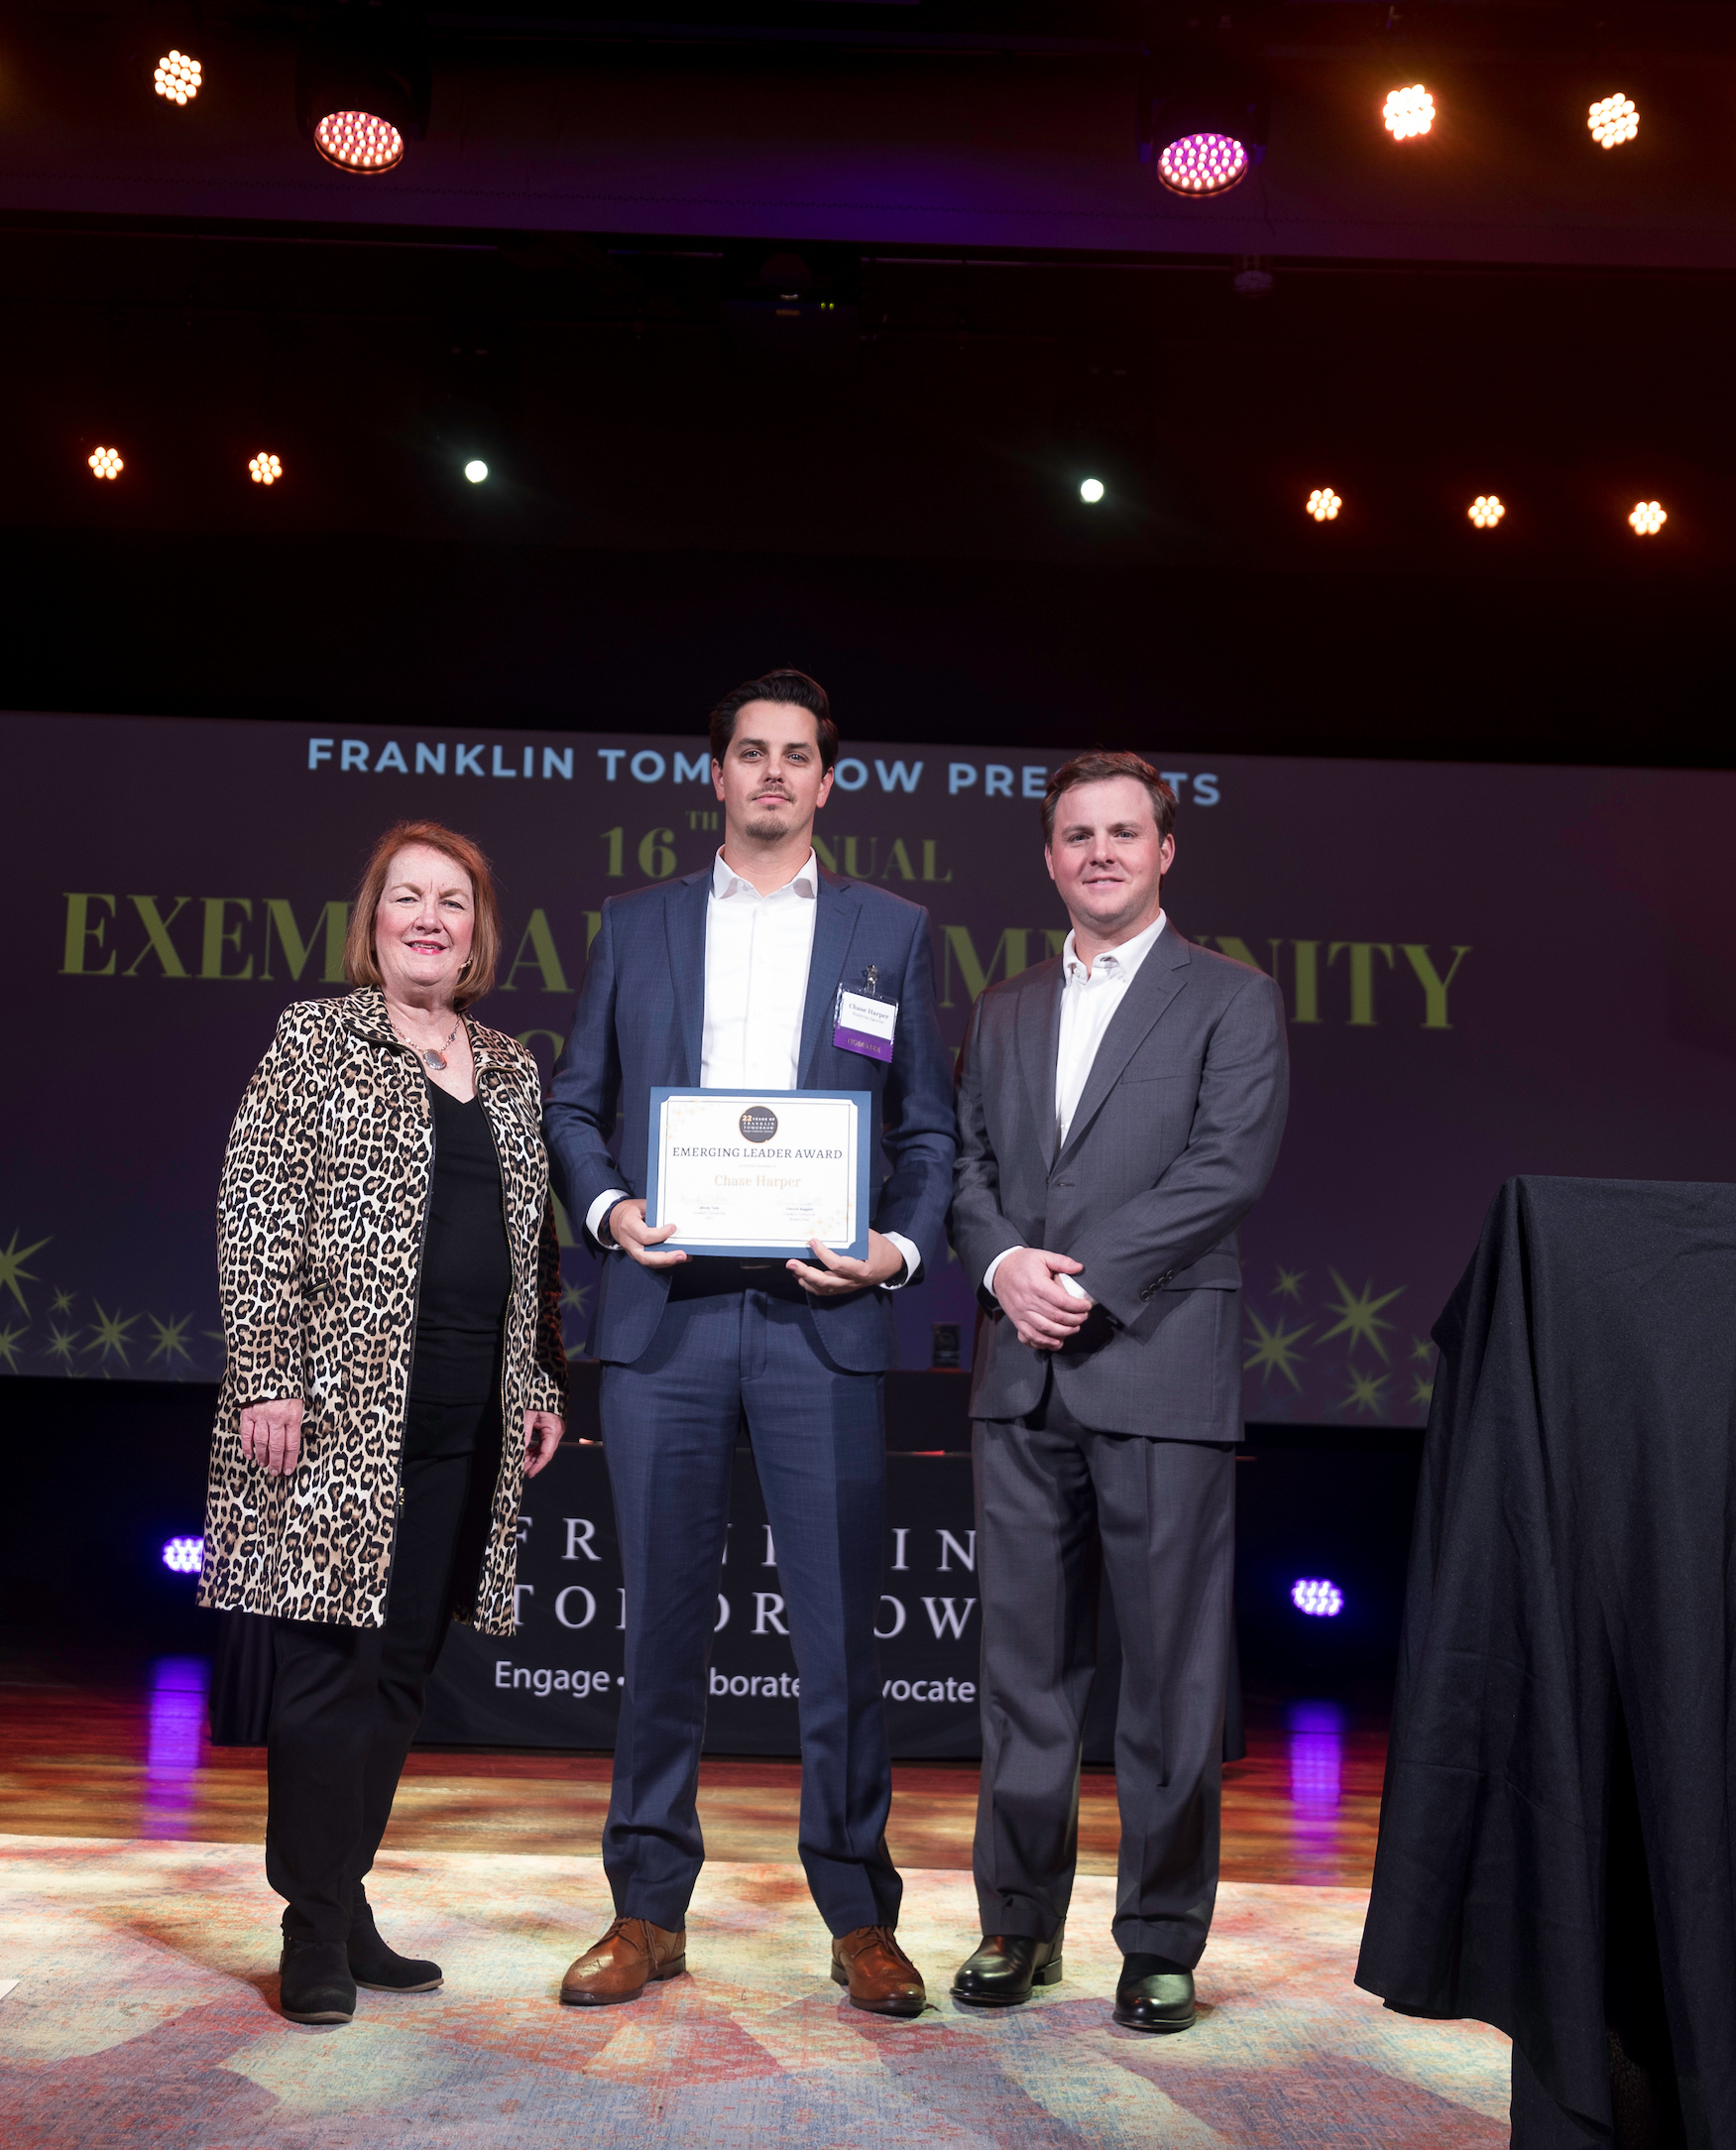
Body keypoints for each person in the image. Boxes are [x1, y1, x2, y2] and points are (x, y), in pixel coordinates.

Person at [543, 668, 955, 2015]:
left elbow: (928, 1133)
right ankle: (646, 1910)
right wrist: (610, 1212)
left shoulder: (893, 932)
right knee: (658, 1629)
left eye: (796, 755)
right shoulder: (636, 925)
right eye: (750, 753)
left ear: (827, 780)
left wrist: (895, 1251)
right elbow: (577, 1106)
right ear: (714, 773)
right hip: (664, 1317)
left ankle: (860, 1917)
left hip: (820, 1321)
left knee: (839, 1640)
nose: (773, 774)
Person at [201, 820, 566, 2027]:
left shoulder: (510, 1066)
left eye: (452, 902)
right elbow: (254, 1206)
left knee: (403, 1671)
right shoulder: (317, 1037)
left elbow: (533, 1248)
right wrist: (268, 1372)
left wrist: (540, 1384)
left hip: (467, 1415)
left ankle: (345, 1895)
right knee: (329, 1671)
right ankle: (310, 1927)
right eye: (407, 898)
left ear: (478, 931)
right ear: (374, 921)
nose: (429, 919)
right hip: (335, 1415)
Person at [947, 751, 1288, 2034]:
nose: (1100, 852)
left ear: (1164, 851)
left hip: (1158, 1366)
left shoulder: (1232, 998)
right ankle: (1016, 1923)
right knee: (1022, 1676)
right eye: (1078, 834)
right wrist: (1002, 1265)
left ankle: (1159, 1939)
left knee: (1171, 1684)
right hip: (1020, 1374)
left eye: (1124, 832)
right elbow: (969, 1167)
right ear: (1050, 857)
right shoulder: (1005, 1004)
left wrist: (1081, 1280)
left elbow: (1226, 1167)